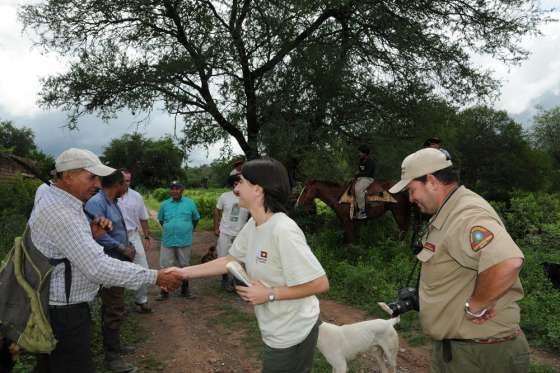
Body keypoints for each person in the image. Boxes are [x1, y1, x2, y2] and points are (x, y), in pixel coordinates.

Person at [29, 148, 182, 373]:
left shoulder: (58, 200)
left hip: (59, 307)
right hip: (65, 314)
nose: (98, 184)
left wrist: (89, 229)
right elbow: (97, 266)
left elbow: (67, 245)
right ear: (68, 176)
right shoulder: (61, 213)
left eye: (99, 178)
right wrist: (155, 276)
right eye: (91, 177)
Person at [173, 158, 329, 373]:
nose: (236, 189)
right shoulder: (254, 224)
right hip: (276, 327)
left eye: (241, 182)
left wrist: (269, 294)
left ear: (257, 189)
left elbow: (320, 283)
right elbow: (230, 260)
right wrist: (183, 272)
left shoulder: (282, 230)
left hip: (293, 331)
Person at [388, 148, 528, 373]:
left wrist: (476, 305)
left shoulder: (466, 214)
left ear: (432, 181)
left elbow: (508, 262)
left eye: (412, 190)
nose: (411, 198)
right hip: (463, 350)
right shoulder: (449, 211)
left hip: (480, 355)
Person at [84, 170, 137, 373]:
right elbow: (95, 234)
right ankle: (112, 357)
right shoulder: (97, 203)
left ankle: (115, 346)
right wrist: (121, 247)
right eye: (125, 183)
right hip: (107, 262)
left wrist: (128, 245)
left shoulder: (111, 201)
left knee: (114, 306)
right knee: (113, 307)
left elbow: (117, 229)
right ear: (117, 184)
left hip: (117, 260)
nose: (127, 187)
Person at [157, 181, 200, 300]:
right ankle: (164, 291)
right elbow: (161, 220)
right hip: (168, 239)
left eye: (177, 188)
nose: (174, 191)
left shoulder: (190, 203)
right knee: (165, 266)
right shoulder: (164, 204)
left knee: (184, 265)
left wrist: (188, 229)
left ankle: (185, 290)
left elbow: (196, 219)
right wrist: (170, 227)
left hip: (184, 239)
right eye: (172, 189)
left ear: (182, 190)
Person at [118, 169, 153, 314]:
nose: (125, 183)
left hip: (132, 235)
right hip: (114, 237)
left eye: (128, 180)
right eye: (123, 180)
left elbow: (143, 218)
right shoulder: (109, 195)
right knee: (116, 271)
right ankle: (118, 306)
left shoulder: (136, 196)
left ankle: (141, 300)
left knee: (143, 268)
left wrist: (146, 236)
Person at [213, 174, 250, 290]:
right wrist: (216, 227)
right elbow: (217, 211)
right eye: (235, 184)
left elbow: (252, 215)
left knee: (239, 258)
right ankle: (224, 279)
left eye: (240, 184)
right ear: (232, 185)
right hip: (225, 232)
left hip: (241, 234)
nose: (237, 187)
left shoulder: (248, 197)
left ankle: (236, 282)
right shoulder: (224, 197)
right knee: (223, 256)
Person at [354, 144, 376, 219]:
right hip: (361, 178)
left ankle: (362, 211)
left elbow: (368, 173)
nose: (359, 154)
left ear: (365, 153)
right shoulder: (361, 161)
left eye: (360, 152)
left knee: (358, 189)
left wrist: (358, 174)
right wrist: (357, 176)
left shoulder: (370, 162)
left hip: (368, 179)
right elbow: (360, 171)